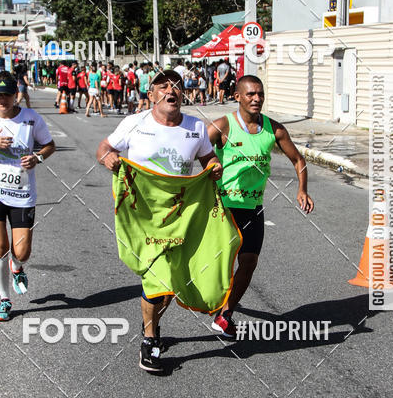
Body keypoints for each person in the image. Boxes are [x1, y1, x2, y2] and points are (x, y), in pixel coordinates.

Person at [96, 69, 223, 372]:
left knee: (170, 283)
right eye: (163, 86)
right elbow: (103, 148)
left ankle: (149, 325)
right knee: (158, 278)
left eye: (177, 86)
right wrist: (108, 158)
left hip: (181, 217)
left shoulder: (195, 127)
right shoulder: (134, 122)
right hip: (143, 217)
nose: (171, 90)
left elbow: (208, 159)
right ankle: (150, 341)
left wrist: (214, 165)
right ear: (151, 94)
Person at [206, 75, 314, 338]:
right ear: (238, 96)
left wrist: (302, 189)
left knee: (249, 261)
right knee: (218, 265)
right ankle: (204, 300)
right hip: (223, 207)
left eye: (260, 94)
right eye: (251, 94)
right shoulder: (223, 126)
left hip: (253, 208)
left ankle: (226, 314)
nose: (256, 99)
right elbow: (193, 151)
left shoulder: (274, 129)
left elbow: (299, 160)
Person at [0, 72, 56, 321]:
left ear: (15, 95)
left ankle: (17, 266)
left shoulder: (31, 118)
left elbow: (49, 145)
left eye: (7, 95)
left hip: (23, 192)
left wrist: (37, 157)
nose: (2, 100)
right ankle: (4, 300)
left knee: (22, 251)